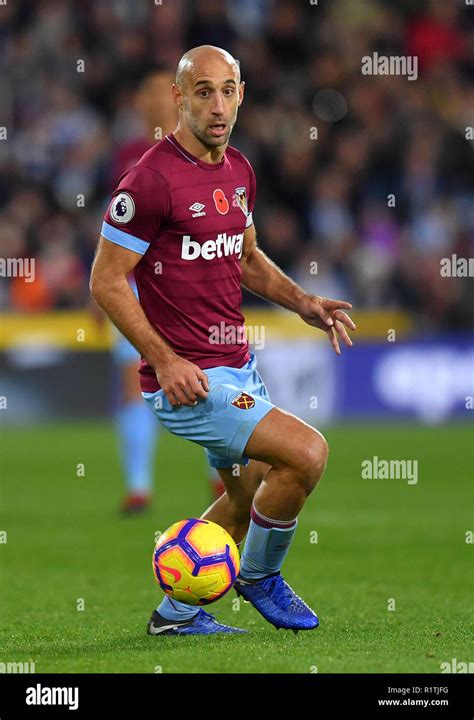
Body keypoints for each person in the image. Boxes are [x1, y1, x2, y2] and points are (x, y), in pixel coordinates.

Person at [90, 45, 355, 634]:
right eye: (203, 91)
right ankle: (259, 576)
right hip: (189, 381)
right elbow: (105, 281)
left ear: (241, 96)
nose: (218, 105)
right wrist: (164, 360)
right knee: (307, 454)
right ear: (179, 99)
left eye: (228, 90)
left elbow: (248, 257)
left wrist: (303, 302)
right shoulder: (150, 181)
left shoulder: (238, 169)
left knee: (246, 495)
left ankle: (175, 614)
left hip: (238, 365)